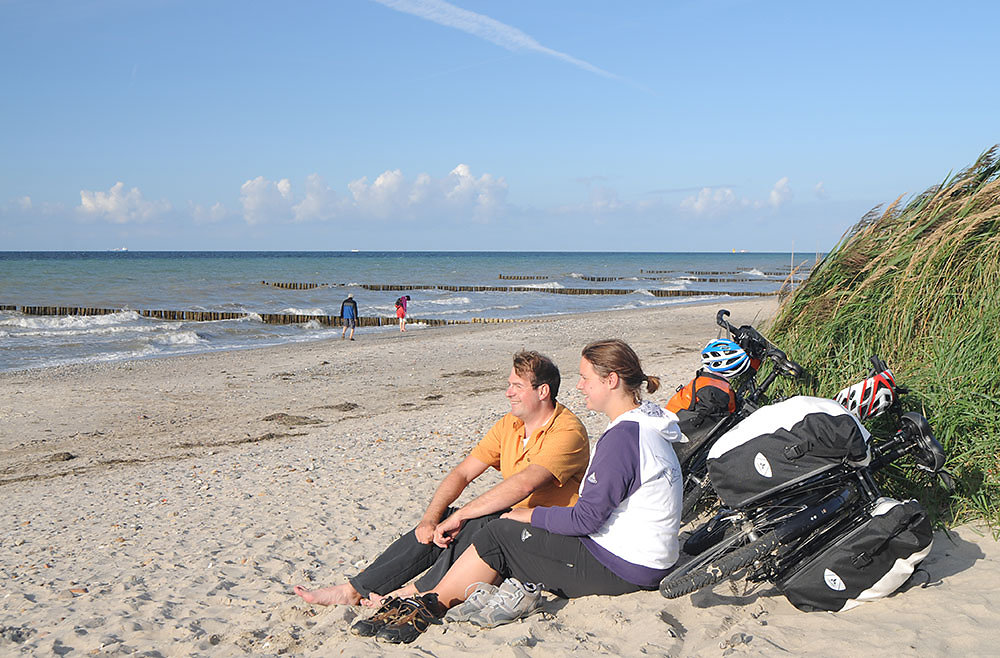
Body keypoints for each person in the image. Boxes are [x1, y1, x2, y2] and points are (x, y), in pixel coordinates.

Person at [361, 339, 684, 644]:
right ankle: (424, 595)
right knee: (501, 527)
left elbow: (585, 519)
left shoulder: (623, 438)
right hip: (640, 558)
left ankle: (430, 605)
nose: (579, 386)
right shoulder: (646, 425)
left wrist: (527, 514)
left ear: (611, 380)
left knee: (501, 534)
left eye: (585, 378)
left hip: (625, 566)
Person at [292, 350, 589, 609]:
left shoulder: (567, 431)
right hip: (511, 520)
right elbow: (462, 473)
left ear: (543, 391)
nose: (508, 392)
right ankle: (353, 589)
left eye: (516, 386)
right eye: (509, 384)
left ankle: (415, 592)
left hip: (547, 531)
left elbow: (523, 484)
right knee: (446, 521)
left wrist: (463, 515)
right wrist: (431, 519)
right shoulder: (510, 425)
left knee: (483, 521)